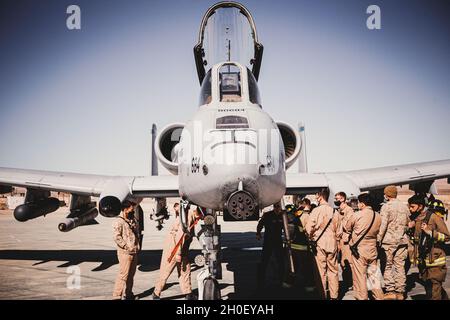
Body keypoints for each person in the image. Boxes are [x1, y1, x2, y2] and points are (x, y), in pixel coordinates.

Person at [152, 203, 200, 300]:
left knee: (185, 269)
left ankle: (188, 293)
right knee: (166, 270)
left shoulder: (191, 215)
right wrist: (178, 254)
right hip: (174, 246)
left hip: (182, 246)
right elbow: (180, 235)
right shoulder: (189, 216)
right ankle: (156, 293)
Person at [408, 195, 450, 300]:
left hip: (435, 260)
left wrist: (430, 232)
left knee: (434, 285)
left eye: (412, 206)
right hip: (423, 260)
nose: (410, 209)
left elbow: (447, 237)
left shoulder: (434, 217)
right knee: (429, 285)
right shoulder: (417, 218)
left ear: (420, 206)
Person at [346, 193, 384, 300]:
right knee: (374, 276)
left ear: (362, 204)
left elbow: (347, 227)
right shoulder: (378, 216)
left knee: (360, 277)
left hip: (359, 250)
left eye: (358, 203)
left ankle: (362, 297)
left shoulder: (358, 215)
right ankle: (379, 297)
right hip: (372, 248)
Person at [305, 188, 340, 300]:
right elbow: (339, 231)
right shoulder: (335, 211)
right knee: (333, 271)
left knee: (321, 271)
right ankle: (334, 296)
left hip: (320, 243)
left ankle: (323, 295)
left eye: (316, 195)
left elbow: (308, 228)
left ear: (320, 196)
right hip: (332, 243)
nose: (315, 197)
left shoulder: (316, 211)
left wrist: (311, 237)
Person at [377, 185, 409, 300]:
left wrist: (378, 239)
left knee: (387, 266)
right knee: (400, 266)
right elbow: (407, 224)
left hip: (389, 242)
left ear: (387, 194)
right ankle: (400, 292)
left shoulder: (386, 207)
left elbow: (383, 225)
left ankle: (390, 291)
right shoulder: (404, 207)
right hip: (402, 241)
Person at [112, 201, 140, 300]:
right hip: (125, 253)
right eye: (131, 210)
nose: (132, 211)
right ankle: (117, 296)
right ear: (125, 209)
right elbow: (116, 237)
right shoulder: (119, 221)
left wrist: (137, 247)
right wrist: (126, 246)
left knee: (131, 275)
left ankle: (128, 294)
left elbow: (136, 233)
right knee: (123, 275)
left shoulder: (133, 220)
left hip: (134, 251)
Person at [256, 202, 285, 288]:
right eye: (275, 206)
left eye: (278, 207)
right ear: (273, 207)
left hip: (278, 241)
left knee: (280, 260)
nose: (277, 208)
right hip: (268, 241)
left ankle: (281, 279)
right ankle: (261, 280)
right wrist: (258, 233)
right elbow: (260, 224)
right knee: (264, 260)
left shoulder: (282, 216)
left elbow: (287, 227)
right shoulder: (268, 215)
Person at [334, 191, 354, 291]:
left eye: (337, 199)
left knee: (347, 262)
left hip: (345, 240)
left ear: (343, 199)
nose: (335, 201)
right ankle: (347, 282)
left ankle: (350, 282)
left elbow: (347, 226)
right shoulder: (338, 210)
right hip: (339, 240)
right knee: (342, 263)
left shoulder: (349, 210)